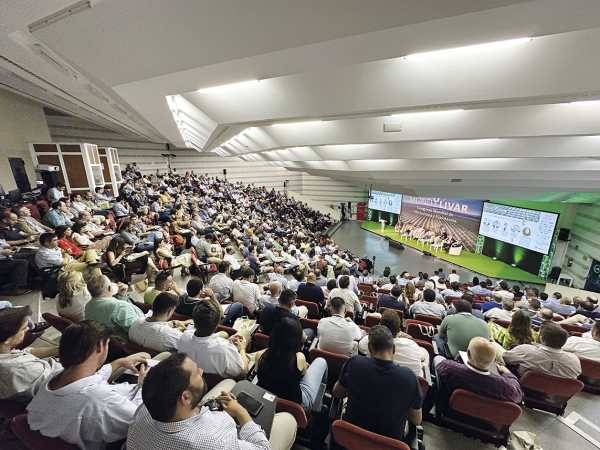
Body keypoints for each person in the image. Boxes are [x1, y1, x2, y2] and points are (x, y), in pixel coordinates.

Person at [27, 320, 159, 450]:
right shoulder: (98, 400)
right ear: (100, 346)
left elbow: (90, 377)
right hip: (132, 418)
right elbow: (139, 420)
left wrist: (119, 362)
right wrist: (145, 386)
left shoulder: (56, 375)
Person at [127, 353, 296, 450]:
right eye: (196, 374)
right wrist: (242, 414)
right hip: (231, 436)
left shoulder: (146, 407)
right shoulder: (215, 443)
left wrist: (209, 403)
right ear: (185, 397)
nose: (201, 370)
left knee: (229, 384)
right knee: (288, 419)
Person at [333, 325, 423, 441]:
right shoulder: (409, 377)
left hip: (351, 440)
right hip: (388, 445)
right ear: (393, 349)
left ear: (369, 347)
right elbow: (416, 420)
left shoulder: (354, 363)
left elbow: (337, 393)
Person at [257, 317, 328, 414]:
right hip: (297, 407)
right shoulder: (299, 357)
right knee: (321, 361)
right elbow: (303, 374)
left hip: (268, 401)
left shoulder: (259, 356)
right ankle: (321, 396)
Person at [434, 337, 523, 403]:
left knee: (438, 357)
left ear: (468, 353)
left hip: (451, 413)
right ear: (494, 360)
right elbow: (518, 394)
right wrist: (506, 372)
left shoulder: (450, 368)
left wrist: (457, 362)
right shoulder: (507, 388)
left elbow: (439, 366)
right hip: (484, 424)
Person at [0, 306, 60, 402]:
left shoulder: (4, 352)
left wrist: (60, 350)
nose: (28, 328)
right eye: (23, 329)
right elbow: (65, 379)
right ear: (7, 339)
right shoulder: (21, 370)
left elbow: (26, 352)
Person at [178, 300, 250, 380]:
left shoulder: (183, 337)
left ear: (194, 321)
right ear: (217, 324)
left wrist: (227, 341)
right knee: (245, 332)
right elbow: (243, 373)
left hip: (194, 382)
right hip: (221, 387)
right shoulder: (225, 351)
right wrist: (242, 348)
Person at [500, 322, 582, 378]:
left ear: (541, 338)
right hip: (555, 396)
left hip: (522, 387)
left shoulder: (525, 350)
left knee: (495, 346)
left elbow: (506, 358)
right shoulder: (574, 360)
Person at [358, 309, 426, 377]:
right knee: (424, 353)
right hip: (406, 386)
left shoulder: (369, 340)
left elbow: (360, 347)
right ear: (399, 330)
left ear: (380, 325)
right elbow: (423, 357)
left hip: (374, 380)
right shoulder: (412, 345)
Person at [84, 275, 145, 342]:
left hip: (111, 346)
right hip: (131, 344)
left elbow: (117, 313)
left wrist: (122, 295)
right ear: (110, 288)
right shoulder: (119, 306)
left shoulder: (88, 306)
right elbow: (140, 331)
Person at [177, 278, 242, 327]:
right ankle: (233, 325)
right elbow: (221, 315)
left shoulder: (182, 298)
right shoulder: (203, 305)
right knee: (238, 305)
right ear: (200, 291)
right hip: (213, 321)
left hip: (190, 315)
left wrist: (208, 298)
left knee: (217, 295)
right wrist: (212, 296)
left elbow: (186, 296)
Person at [35, 233, 101, 276]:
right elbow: (64, 262)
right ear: (47, 243)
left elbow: (63, 253)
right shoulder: (44, 253)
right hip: (61, 268)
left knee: (90, 251)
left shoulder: (54, 247)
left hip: (72, 261)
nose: (58, 241)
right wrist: (65, 253)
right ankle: (101, 284)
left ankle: (92, 261)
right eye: (55, 240)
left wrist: (66, 251)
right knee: (94, 267)